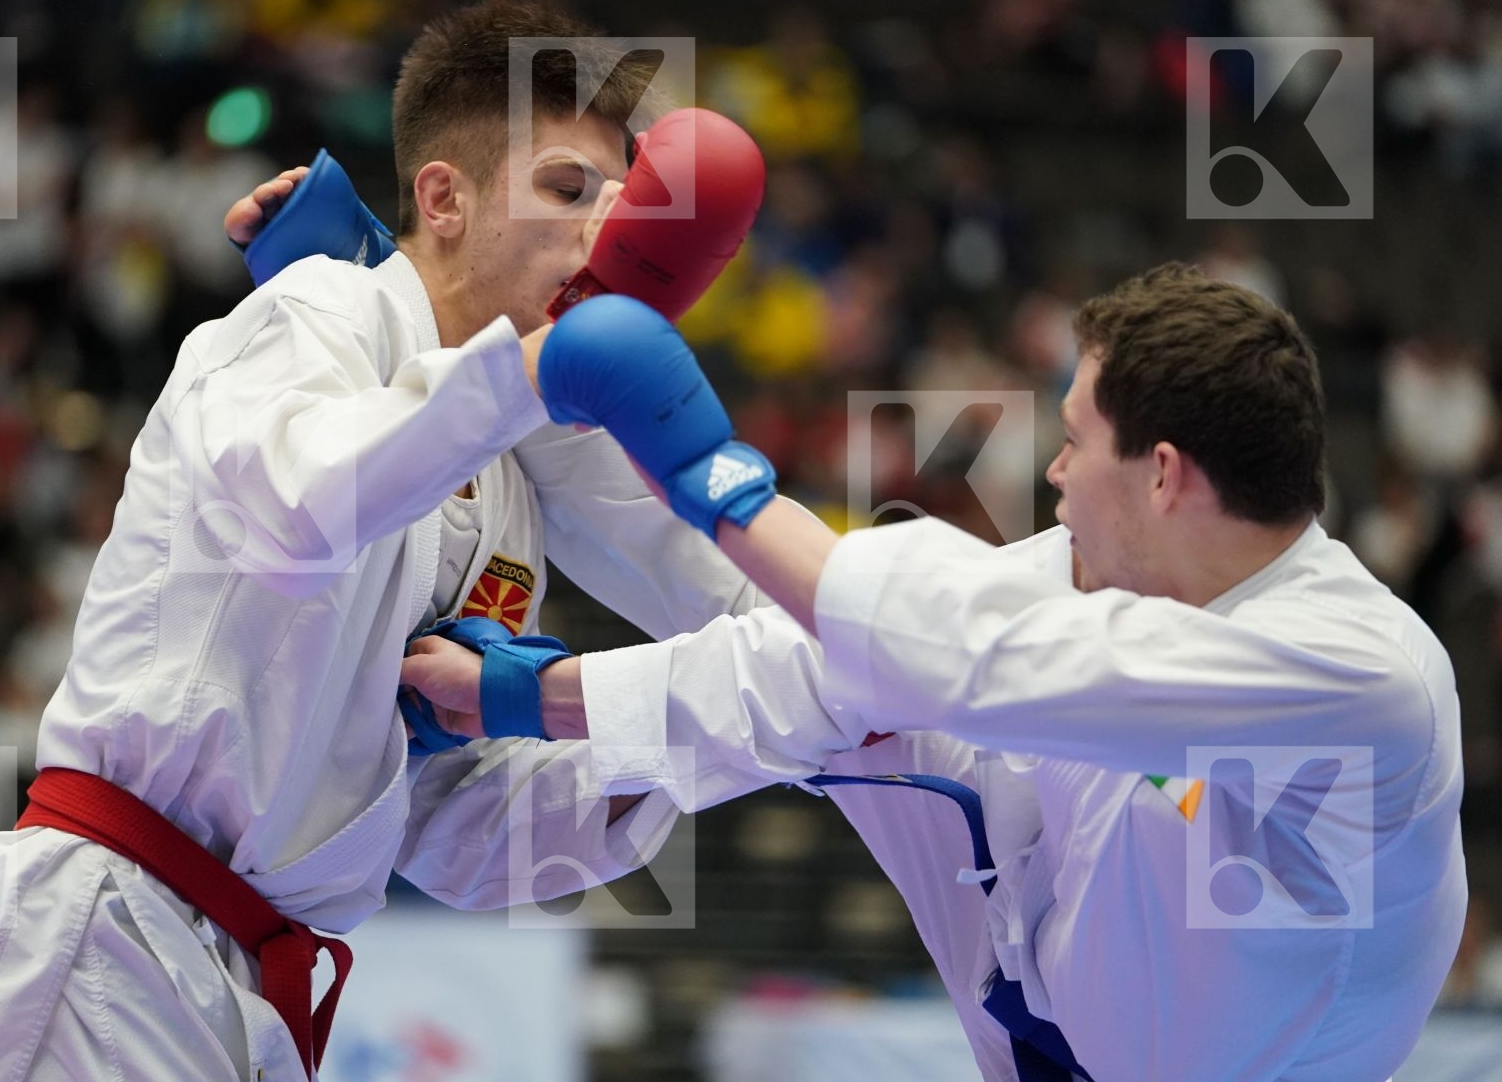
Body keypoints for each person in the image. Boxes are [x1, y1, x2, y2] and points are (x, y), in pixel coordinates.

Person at [0, 0, 771, 1082]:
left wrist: (695, 729)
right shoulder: (315, 313)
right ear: (442, 197)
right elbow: (295, 517)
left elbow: (443, 821)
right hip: (102, 944)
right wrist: (536, 371)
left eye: (616, 202)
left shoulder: (505, 491)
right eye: (564, 190)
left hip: (259, 991)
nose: (602, 234)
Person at [404, 265, 1469, 1081]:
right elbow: (836, 652)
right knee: (808, 638)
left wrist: (719, 483)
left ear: (1163, 476)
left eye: (1074, 441)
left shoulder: (1362, 680)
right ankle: (424, 346)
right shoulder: (1097, 571)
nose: (1051, 470)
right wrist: (526, 694)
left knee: (874, 638)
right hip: (1030, 970)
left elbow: (970, 655)